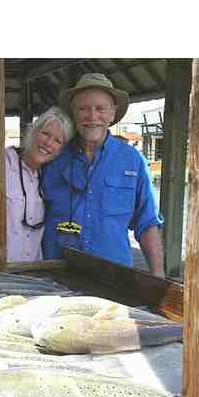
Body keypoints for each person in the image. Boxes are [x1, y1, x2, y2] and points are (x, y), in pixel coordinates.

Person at [41, 73, 165, 277]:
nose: (92, 117)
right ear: (73, 112)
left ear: (112, 113)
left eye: (100, 109)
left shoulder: (133, 160)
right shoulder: (53, 156)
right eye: (84, 108)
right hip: (56, 277)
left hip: (114, 278)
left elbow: (148, 223)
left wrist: (158, 277)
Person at [5, 106, 73, 262]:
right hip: (0, 271)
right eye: (45, 134)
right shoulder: (3, 164)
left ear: (60, 150)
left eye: (57, 141)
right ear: (32, 131)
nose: (48, 143)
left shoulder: (49, 177)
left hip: (34, 271)